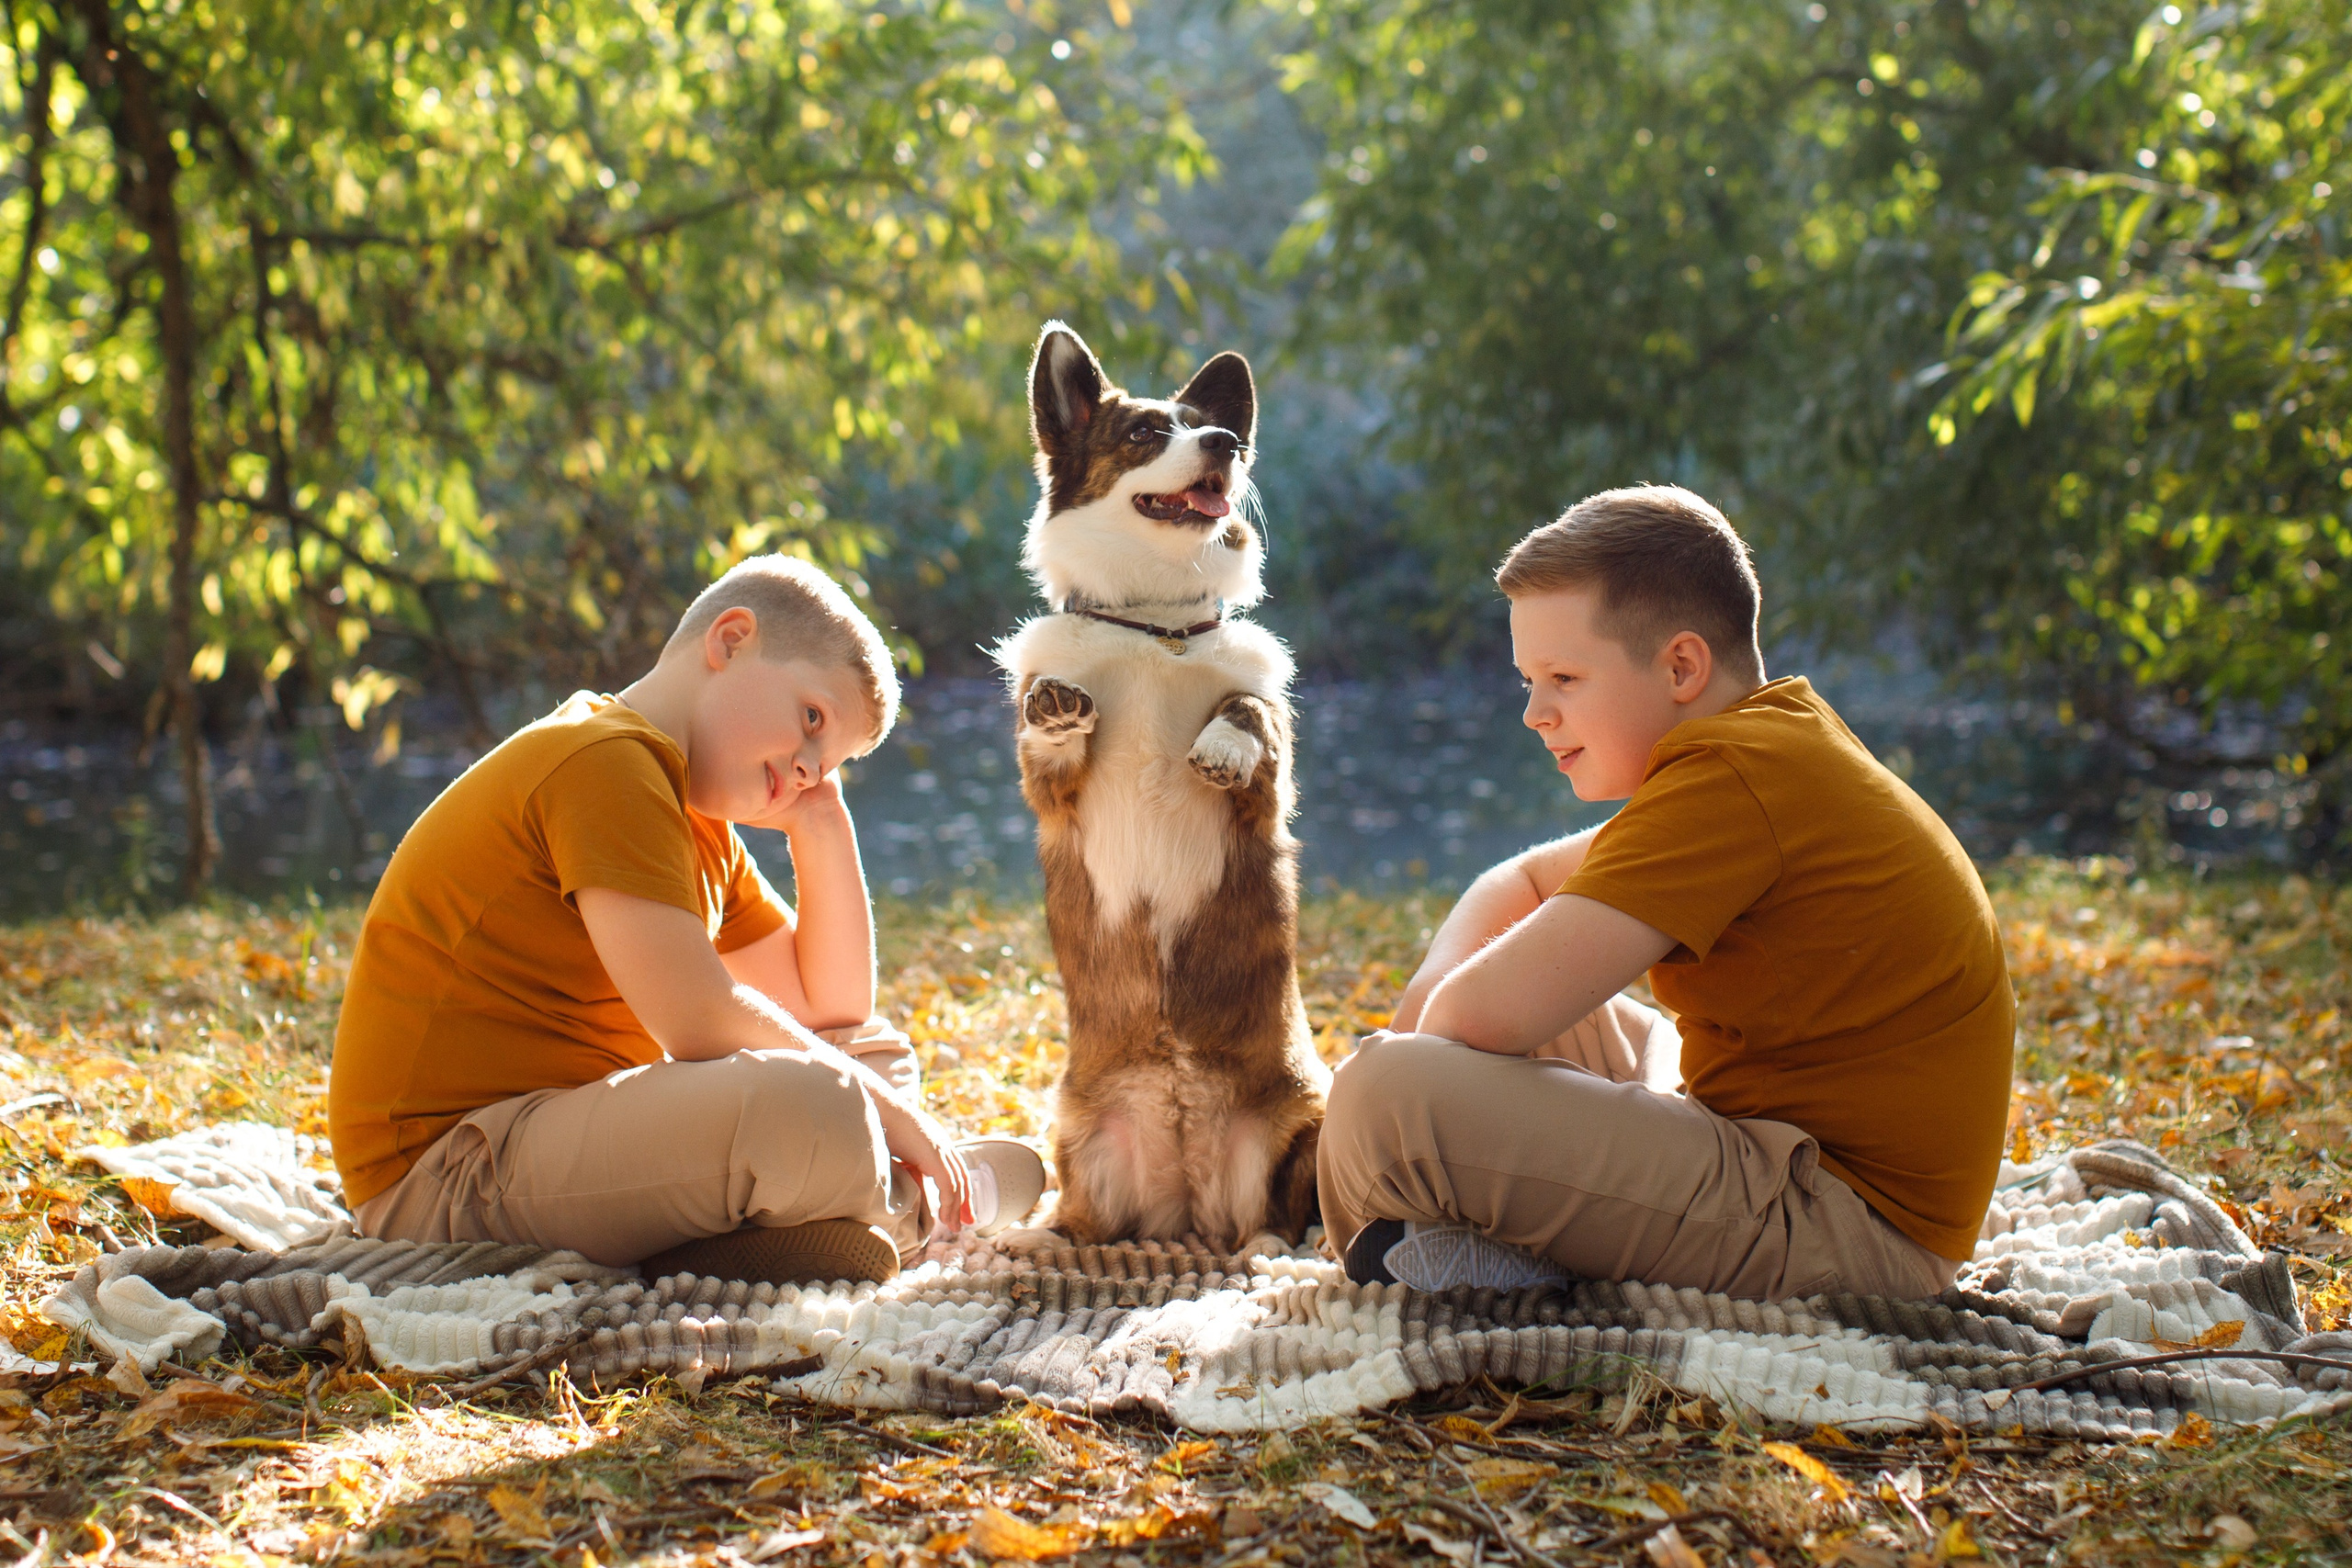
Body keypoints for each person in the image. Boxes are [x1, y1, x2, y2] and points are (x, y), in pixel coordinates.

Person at [1320, 485, 2012, 1302]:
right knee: (1540, 1023)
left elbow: (1466, 1019)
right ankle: (1478, 1245)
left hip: (1846, 1227)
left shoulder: (1733, 779)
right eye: (1527, 683)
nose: (1536, 714)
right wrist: (1428, 1018)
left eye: (1564, 677)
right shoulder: (1768, 742)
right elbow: (1522, 880)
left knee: (1379, 1097)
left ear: (1682, 666)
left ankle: (1510, 1261)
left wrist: (1428, 1042)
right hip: (1784, 1157)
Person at [328, 555, 1046, 1283]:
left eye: (828, 762)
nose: (807, 768)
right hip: (446, 1174)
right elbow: (697, 1018)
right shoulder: (605, 761)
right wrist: (896, 1116)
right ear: (730, 641)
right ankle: (927, 1209)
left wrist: (823, 823)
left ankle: (773, 1225)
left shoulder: (693, 824)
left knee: (863, 1050)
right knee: (818, 1102)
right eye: (810, 719)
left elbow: (830, 1008)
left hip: (552, 1142)